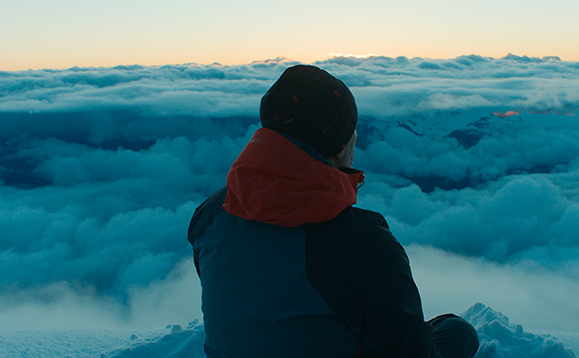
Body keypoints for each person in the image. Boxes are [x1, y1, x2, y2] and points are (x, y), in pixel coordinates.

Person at [188, 65, 479, 358]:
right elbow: (411, 349)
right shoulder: (361, 239)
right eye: (352, 133)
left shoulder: (211, 213)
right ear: (340, 145)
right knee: (457, 333)